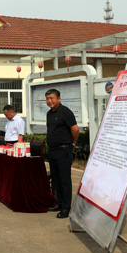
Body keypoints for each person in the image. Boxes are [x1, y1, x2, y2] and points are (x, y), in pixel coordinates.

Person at [45, 89, 79, 219]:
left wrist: (72, 144)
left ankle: (66, 207)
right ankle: (58, 203)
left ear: (59, 99)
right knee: (56, 179)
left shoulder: (65, 112)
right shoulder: (49, 113)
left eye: (52, 98)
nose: (49, 101)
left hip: (63, 151)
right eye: (47, 98)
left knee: (64, 180)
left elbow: (75, 129)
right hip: (52, 151)